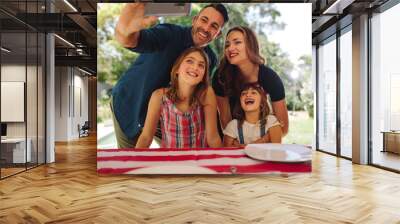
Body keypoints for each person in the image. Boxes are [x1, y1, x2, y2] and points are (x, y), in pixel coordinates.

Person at [112, 3, 229, 148]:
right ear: (194, 20)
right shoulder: (169, 34)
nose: (206, 28)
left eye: (214, 26)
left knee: (176, 150)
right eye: (204, 20)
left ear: (218, 34)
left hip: (169, 117)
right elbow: (131, 40)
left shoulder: (210, 59)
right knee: (131, 162)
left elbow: (199, 94)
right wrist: (126, 30)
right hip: (131, 105)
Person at [212, 26, 289, 141]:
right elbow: (225, 118)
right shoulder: (221, 76)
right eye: (227, 45)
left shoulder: (270, 78)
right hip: (231, 137)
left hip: (262, 139)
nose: (230, 48)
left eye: (237, 42)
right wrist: (237, 143)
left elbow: (283, 127)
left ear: (250, 46)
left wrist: (259, 143)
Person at [136, 47, 222, 148]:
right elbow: (146, 137)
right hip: (169, 160)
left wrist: (225, 161)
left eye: (201, 65)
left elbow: (213, 138)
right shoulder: (159, 96)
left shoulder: (206, 94)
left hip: (198, 160)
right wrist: (134, 161)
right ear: (177, 69)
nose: (195, 67)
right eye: (190, 61)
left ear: (203, 76)